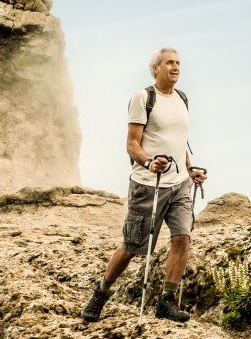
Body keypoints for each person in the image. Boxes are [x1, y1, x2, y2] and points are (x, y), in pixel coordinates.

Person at [81, 47, 207, 323]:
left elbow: (178, 141)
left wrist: (189, 169)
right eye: (169, 63)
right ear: (155, 69)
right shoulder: (143, 98)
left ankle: (167, 301)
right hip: (148, 185)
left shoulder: (182, 99)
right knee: (132, 246)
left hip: (179, 184)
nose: (175, 67)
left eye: (178, 63)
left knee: (182, 237)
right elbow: (132, 145)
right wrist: (149, 162)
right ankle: (100, 293)